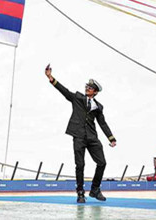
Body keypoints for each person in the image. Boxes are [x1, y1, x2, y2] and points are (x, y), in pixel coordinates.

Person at [45, 65, 116, 204]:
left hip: (92, 137)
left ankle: (95, 189)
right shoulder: (77, 98)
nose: (87, 89)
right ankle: (80, 192)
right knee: (80, 165)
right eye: (87, 87)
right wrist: (51, 78)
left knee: (102, 162)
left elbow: (102, 123)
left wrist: (111, 138)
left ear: (95, 92)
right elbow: (65, 91)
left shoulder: (99, 107)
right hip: (78, 136)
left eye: (90, 88)